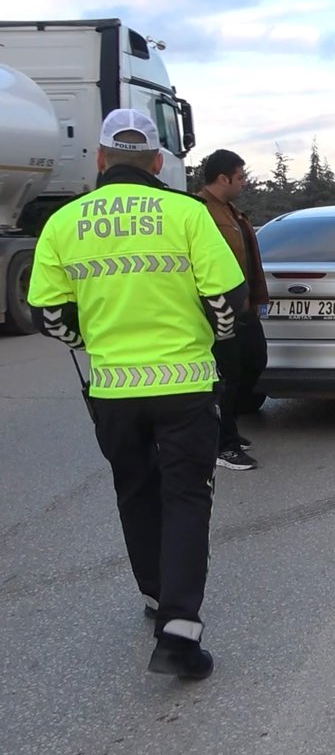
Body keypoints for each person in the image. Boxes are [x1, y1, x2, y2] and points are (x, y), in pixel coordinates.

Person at [28, 109, 247, 678]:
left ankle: (155, 595)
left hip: (111, 390)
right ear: (156, 162)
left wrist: (93, 339)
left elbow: (49, 315)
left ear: (100, 158)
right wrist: (207, 337)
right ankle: (178, 632)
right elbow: (230, 303)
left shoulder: (64, 222)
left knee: (135, 491)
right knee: (186, 498)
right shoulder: (186, 214)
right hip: (184, 385)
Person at [197, 149, 268, 471]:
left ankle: (230, 430)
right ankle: (222, 444)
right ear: (223, 178)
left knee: (254, 361)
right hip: (218, 308)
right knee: (225, 377)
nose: (243, 183)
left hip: (243, 306)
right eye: (240, 177)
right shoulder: (199, 212)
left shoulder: (230, 211)